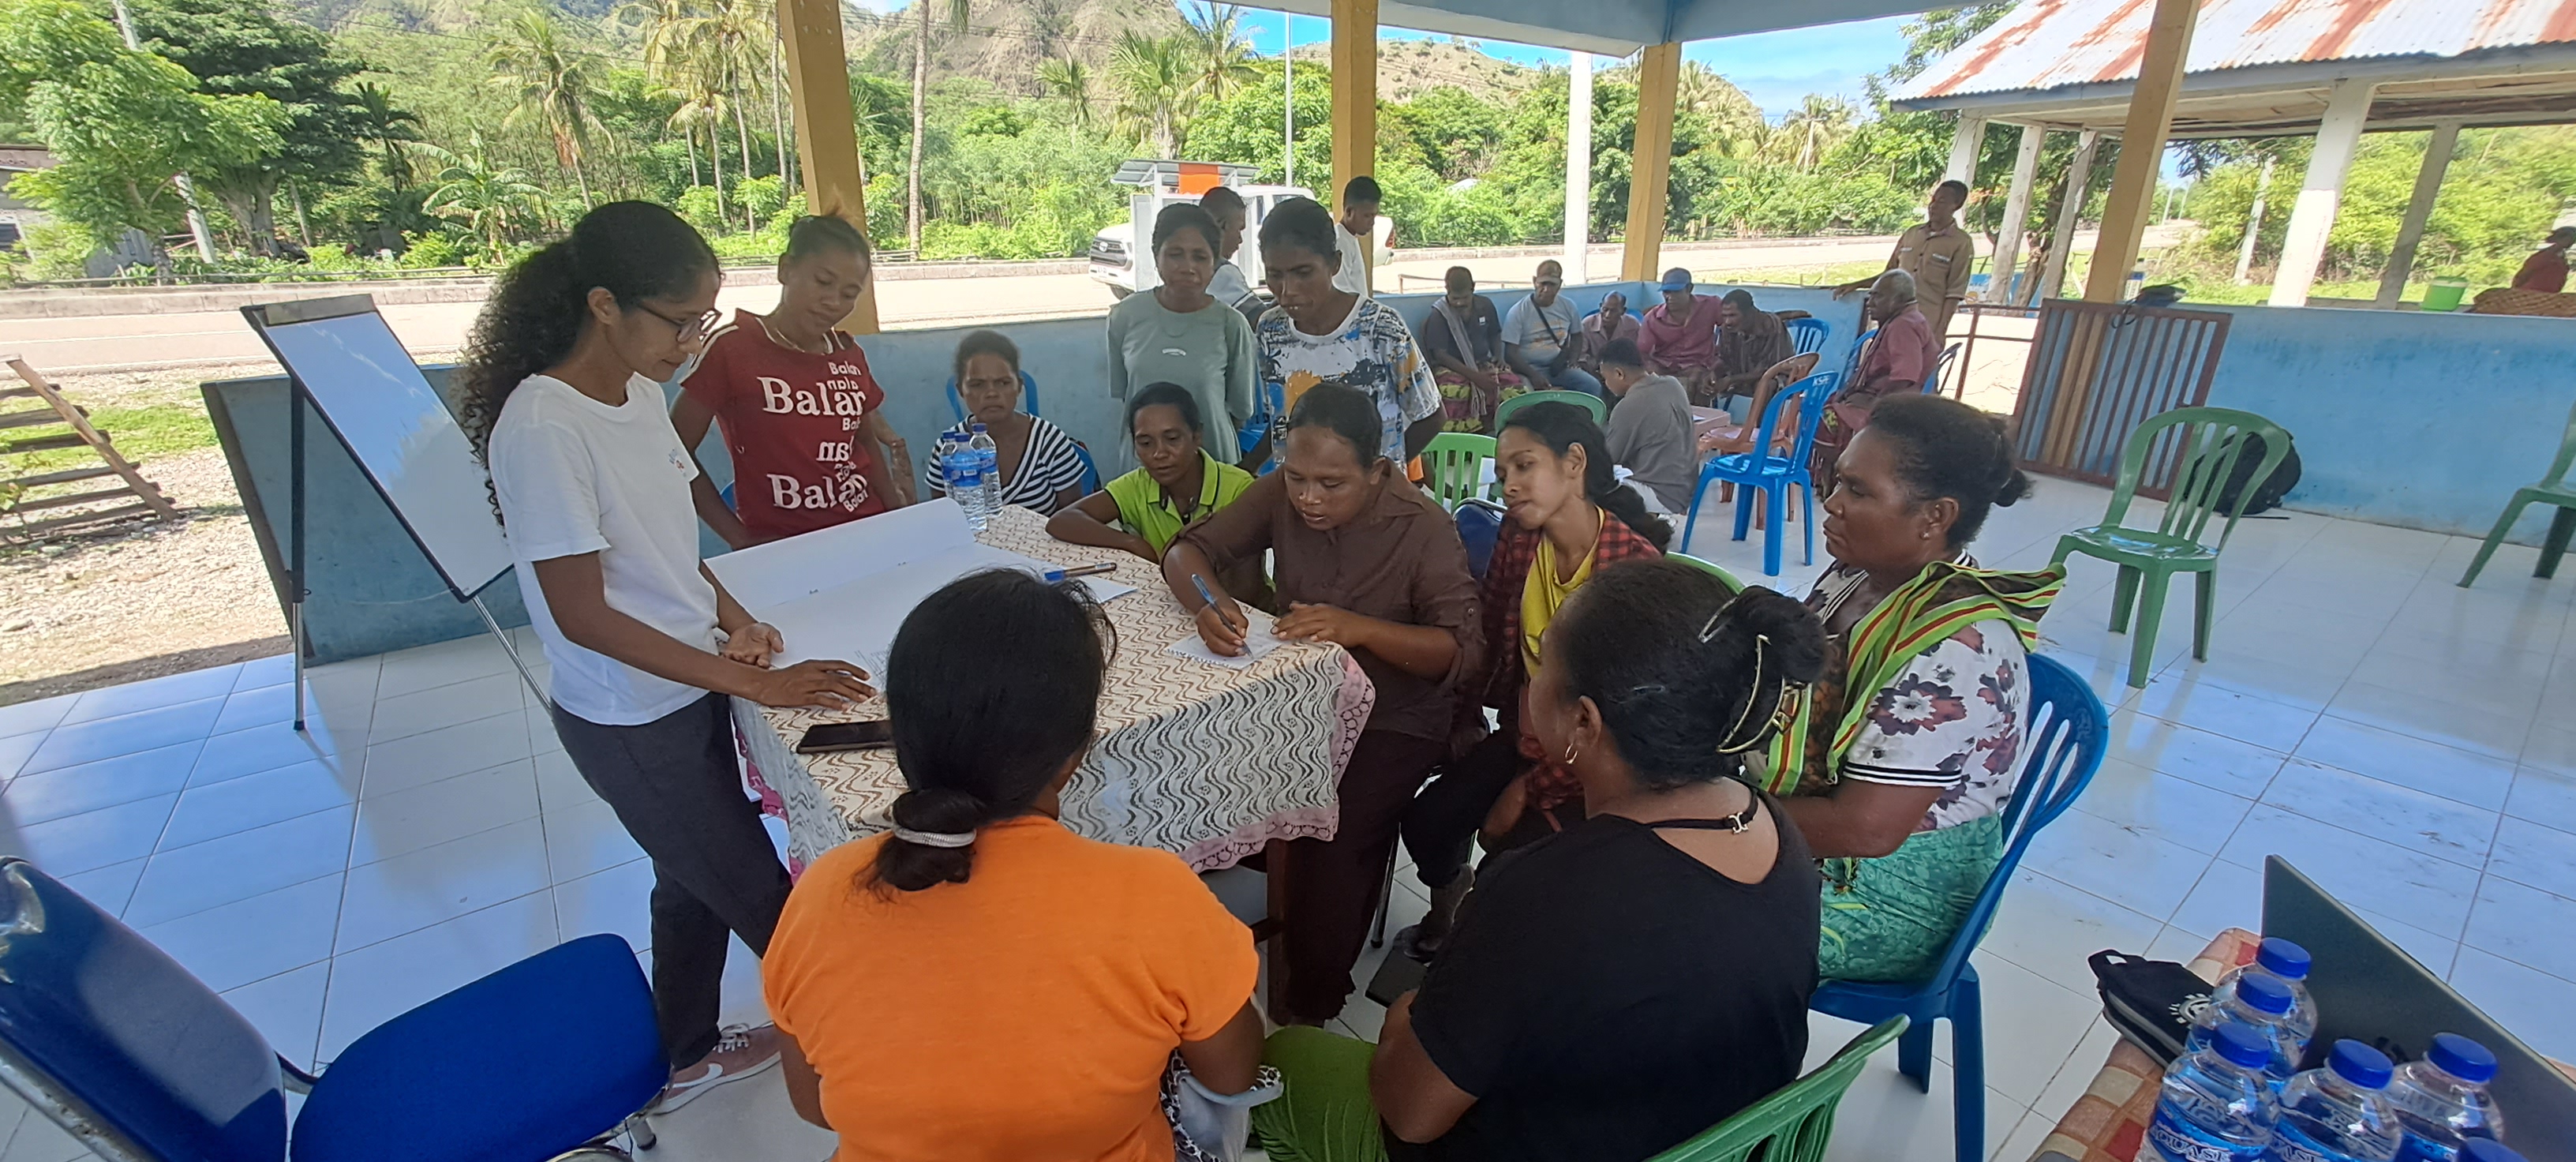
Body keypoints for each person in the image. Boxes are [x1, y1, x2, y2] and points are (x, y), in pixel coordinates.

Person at [457, 201, 876, 1111]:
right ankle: (873, 1065)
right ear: (605, 304)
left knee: (688, 878)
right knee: (771, 903)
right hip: (628, 714)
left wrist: (732, 613)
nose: (692, 341)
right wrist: (754, 679)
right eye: (681, 320)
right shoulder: (543, 426)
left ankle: (681, 1047)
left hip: (686, 681)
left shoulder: (636, 393)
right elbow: (582, 614)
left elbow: (664, 539)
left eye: (704, 320)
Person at [1252, 567, 1827, 1161]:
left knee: (1287, 1057)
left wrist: (1404, 1014)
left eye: (1541, 664)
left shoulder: (1547, 889)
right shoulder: (1777, 833)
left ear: (1584, 721)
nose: (1528, 685)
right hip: (1713, 1142)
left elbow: (1410, 1112)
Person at [765, 570, 1267, 1160]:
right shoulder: (1156, 895)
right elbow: (1231, 1079)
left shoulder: (825, 890)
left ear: (902, 740)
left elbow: (814, 1107)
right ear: (1074, 756)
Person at [1165, 382, 1480, 1027]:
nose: (1308, 497)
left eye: (1332, 483)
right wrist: (1206, 600)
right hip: (1297, 700)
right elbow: (1186, 551)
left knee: (1333, 836)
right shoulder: (1283, 492)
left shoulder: (1424, 529)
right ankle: (1203, 967)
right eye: (1299, 476)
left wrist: (1361, 628)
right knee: (1206, 783)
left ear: (1377, 469)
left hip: (1399, 715)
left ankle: (1311, 1003)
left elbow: (1461, 653)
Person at [1765, 394, 2059, 984]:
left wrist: (1710, 815)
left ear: (1935, 517)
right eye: (1837, 481)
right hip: (1824, 834)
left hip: (1892, 892)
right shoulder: (1857, 574)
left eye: (1859, 490)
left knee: (1673, 915)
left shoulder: (1954, 649)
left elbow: (1866, 829)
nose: (1833, 502)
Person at [1395, 400, 1669, 961]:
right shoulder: (1521, 540)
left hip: (1600, 761)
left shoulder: (1631, 571)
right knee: (1429, 820)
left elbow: (1618, 719)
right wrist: (1464, 717)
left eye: (1524, 466)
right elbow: (1490, 635)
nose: (1511, 486)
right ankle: (1450, 901)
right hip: (1529, 731)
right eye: (1502, 475)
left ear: (1574, 462)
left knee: (1511, 867)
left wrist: (1528, 789)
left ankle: (1480, 951)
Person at [673, 214, 912, 549]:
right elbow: (673, 449)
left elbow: (865, 441)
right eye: (823, 282)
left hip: (866, 529)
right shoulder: (732, 347)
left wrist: (895, 514)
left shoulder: (848, 353)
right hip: (784, 545)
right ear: (785, 269)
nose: (833, 302)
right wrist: (737, 535)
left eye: (849, 293)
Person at [1249, 197, 1443, 472]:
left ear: (1335, 264)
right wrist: (1245, 468)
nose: (1287, 289)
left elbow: (1431, 416)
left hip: (1371, 503)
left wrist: (1380, 475)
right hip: (1300, 499)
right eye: (1275, 275)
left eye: (1303, 273)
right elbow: (1281, 424)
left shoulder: (1380, 328)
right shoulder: (1270, 330)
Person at [1046, 381, 1263, 598]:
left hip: (1233, 607)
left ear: (1197, 437)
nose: (1159, 453)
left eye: (1172, 439)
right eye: (1146, 443)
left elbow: (1248, 590)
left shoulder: (1238, 489)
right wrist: (1132, 543)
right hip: (1170, 600)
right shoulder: (1138, 485)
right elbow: (1062, 521)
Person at [1106, 202, 1258, 457]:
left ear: (1214, 264)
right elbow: (1128, 399)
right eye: (1175, 254)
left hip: (1214, 469)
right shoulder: (1124, 316)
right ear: (1157, 258)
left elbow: (1239, 413)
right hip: (1144, 472)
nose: (1187, 267)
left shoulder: (1231, 324)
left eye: (1200, 257)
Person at [926, 329, 1089, 515]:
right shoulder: (948, 449)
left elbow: (1074, 519)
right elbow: (943, 519)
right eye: (977, 385)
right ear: (961, 390)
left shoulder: (1049, 441)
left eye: (1003, 383)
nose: (991, 393)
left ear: (1018, 386)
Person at [1810, 269, 1939, 494]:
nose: (1871, 302)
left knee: (1820, 416)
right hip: (1884, 396)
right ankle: (1830, 475)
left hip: (1894, 404)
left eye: (1879, 296)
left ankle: (1839, 475)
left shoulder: (1903, 326)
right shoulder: (1904, 319)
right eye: (1871, 295)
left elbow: (1904, 377)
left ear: (1899, 299)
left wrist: (1877, 406)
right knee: (1830, 402)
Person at [1840, 180, 1975, 338]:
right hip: (1892, 319)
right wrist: (1856, 285)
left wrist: (1940, 332)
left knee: (1911, 362)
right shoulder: (1912, 234)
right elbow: (1889, 275)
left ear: (1956, 206)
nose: (1933, 206)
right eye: (1933, 200)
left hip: (1925, 323)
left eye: (1942, 202)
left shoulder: (1961, 243)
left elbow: (1954, 293)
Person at [1593, 338, 1698, 515]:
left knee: (1589, 484)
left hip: (1660, 495)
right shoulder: (1673, 384)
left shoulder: (1629, 405)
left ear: (1619, 374)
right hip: (1687, 489)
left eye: (1605, 378)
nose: (1606, 384)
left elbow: (1608, 461)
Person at [1421, 266, 1524, 434]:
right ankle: (1467, 440)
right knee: (1455, 393)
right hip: (1452, 368)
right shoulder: (1439, 314)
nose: (1460, 303)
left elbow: (1495, 334)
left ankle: (1505, 434)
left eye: (1465, 298)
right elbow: (1440, 355)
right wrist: (1475, 377)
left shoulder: (1485, 305)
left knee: (1514, 388)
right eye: (1455, 298)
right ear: (1447, 290)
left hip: (1484, 363)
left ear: (1473, 288)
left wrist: (1499, 356)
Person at [1503, 260, 1604, 396]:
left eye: (1552, 284)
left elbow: (1577, 335)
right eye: (1543, 283)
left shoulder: (1568, 306)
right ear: (1534, 281)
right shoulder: (1519, 311)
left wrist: (1573, 361)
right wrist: (1533, 375)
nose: (1546, 289)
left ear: (1560, 285)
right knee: (1526, 396)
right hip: (1527, 369)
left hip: (1557, 367)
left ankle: (1585, 417)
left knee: (1592, 386)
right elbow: (1510, 354)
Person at [1637, 268, 1722, 405]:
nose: (1669, 297)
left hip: (1699, 365)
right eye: (1666, 292)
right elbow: (1642, 352)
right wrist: (1652, 369)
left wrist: (1716, 363)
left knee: (1701, 381)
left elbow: (1732, 327)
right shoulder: (1653, 318)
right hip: (1664, 366)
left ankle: (1700, 421)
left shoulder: (1711, 306)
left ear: (1689, 289)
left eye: (1675, 292)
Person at [1710, 289, 1792, 405]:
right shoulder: (1727, 328)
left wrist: (1731, 379)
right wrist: (1713, 373)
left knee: (1766, 384)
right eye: (1724, 316)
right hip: (1741, 376)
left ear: (1750, 313)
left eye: (1733, 315)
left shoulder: (1770, 326)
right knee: (1701, 377)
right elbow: (1724, 358)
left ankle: (1757, 423)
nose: (1727, 321)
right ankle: (1705, 420)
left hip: (1776, 378)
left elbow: (1769, 370)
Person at [1201, 186, 1264, 317]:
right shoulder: (1222, 273)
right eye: (1239, 229)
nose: (1240, 240)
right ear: (1222, 226)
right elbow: (1261, 320)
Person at [1334, 175, 1392, 298]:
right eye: (1367, 216)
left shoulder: (1350, 238)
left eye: (1374, 216)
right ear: (1349, 212)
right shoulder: (1340, 242)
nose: (1372, 222)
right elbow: (1340, 292)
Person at [1575, 290, 1642, 379]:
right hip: (1594, 370)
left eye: (1613, 311)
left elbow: (1636, 353)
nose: (1607, 315)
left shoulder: (1632, 324)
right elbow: (1581, 356)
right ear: (1600, 307)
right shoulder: (1587, 324)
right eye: (1605, 309)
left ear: (1623, 311)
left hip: (1623, 371)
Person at [2511, 227, 2576, 294]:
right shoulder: (2545, 255)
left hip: (2549, 295)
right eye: (2567, 238)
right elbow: (2525, 273)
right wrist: (2516, 289)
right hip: (2530, 293)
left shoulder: (2562, 258)